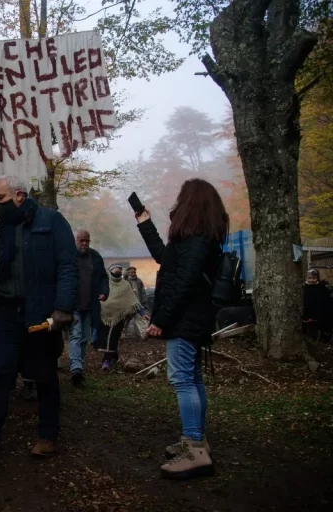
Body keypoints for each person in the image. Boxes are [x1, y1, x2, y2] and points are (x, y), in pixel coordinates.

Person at [0, 176, 78, 465]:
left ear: (19, 195)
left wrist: (62, 308)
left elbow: (67, 265)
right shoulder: (1, 231)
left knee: (45, 375)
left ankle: (47, 436)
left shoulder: (51, 222)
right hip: (7, 313)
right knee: (0, 374)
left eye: (0, 198)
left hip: (42, 312)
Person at [135, 178, 227, 480]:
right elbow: (166, 259)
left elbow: (183, 282)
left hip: (186, 320)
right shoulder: (197, 239)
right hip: (194, 318)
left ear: (190, 203)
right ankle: (197, 440)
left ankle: (195, 450)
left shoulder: (197, 240)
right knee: (192, 377)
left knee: (182, 380)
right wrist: (145, 224)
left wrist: (161, 319)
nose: (176, 202)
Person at [68, 230, 109, 387]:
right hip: (73, 305)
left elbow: (104, 277)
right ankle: (76, 367)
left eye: (87, 241)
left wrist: (104, 292)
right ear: (76, 240)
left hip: (90, 305)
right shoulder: (69, 256)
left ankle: (79, 368)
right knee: (76, 336)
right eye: (81, 240)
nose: (84, 243)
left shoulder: (95, 257)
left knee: (85, 338)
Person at [97, 264, 145, 370]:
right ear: (110, 271)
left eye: (119, 271)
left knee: (113, 337)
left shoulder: (125, 285)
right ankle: (114, 356)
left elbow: (133, 301)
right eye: (115, 270)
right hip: (104, 315)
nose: (118, 272)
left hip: (119, 317)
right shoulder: (105, 283)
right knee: (103, 337)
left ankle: (106, 360)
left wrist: (143, 313)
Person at [303, 268, 333, 341]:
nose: (311, 280)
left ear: (317, 278)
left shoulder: (322, 288)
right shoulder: (304, 288)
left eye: (314, 278)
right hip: (308, 318)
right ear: (306, 278)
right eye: (309, 278)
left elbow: (327, 303)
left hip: (320, 316)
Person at [124, 266, 150, 339]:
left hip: (138, 303)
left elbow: (143, 292)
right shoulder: (125, 281)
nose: (133, 273)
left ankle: (143, 334)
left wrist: (143, 302)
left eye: (134, 272)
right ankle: (123, 332)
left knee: (140, 318)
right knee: (126, 319)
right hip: (129, 304)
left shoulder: (139, 281)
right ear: (128, 273)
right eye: (131, 272)